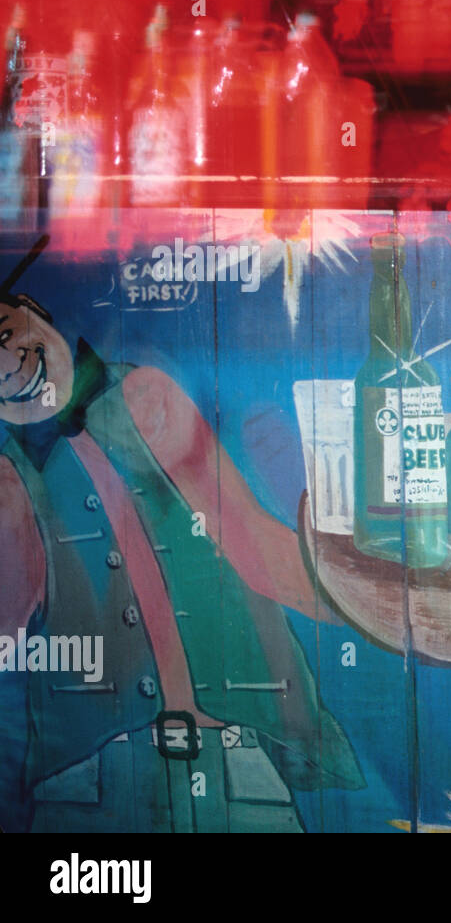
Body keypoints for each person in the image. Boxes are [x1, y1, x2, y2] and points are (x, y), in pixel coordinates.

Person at [0, 261, 361, 832]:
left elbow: (253, 545)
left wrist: (361, 602)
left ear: (38, 315)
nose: (7, 358)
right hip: (88, 778)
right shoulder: (8, 480)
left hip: (234, 757)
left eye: (7, 334)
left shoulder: (146, 397)